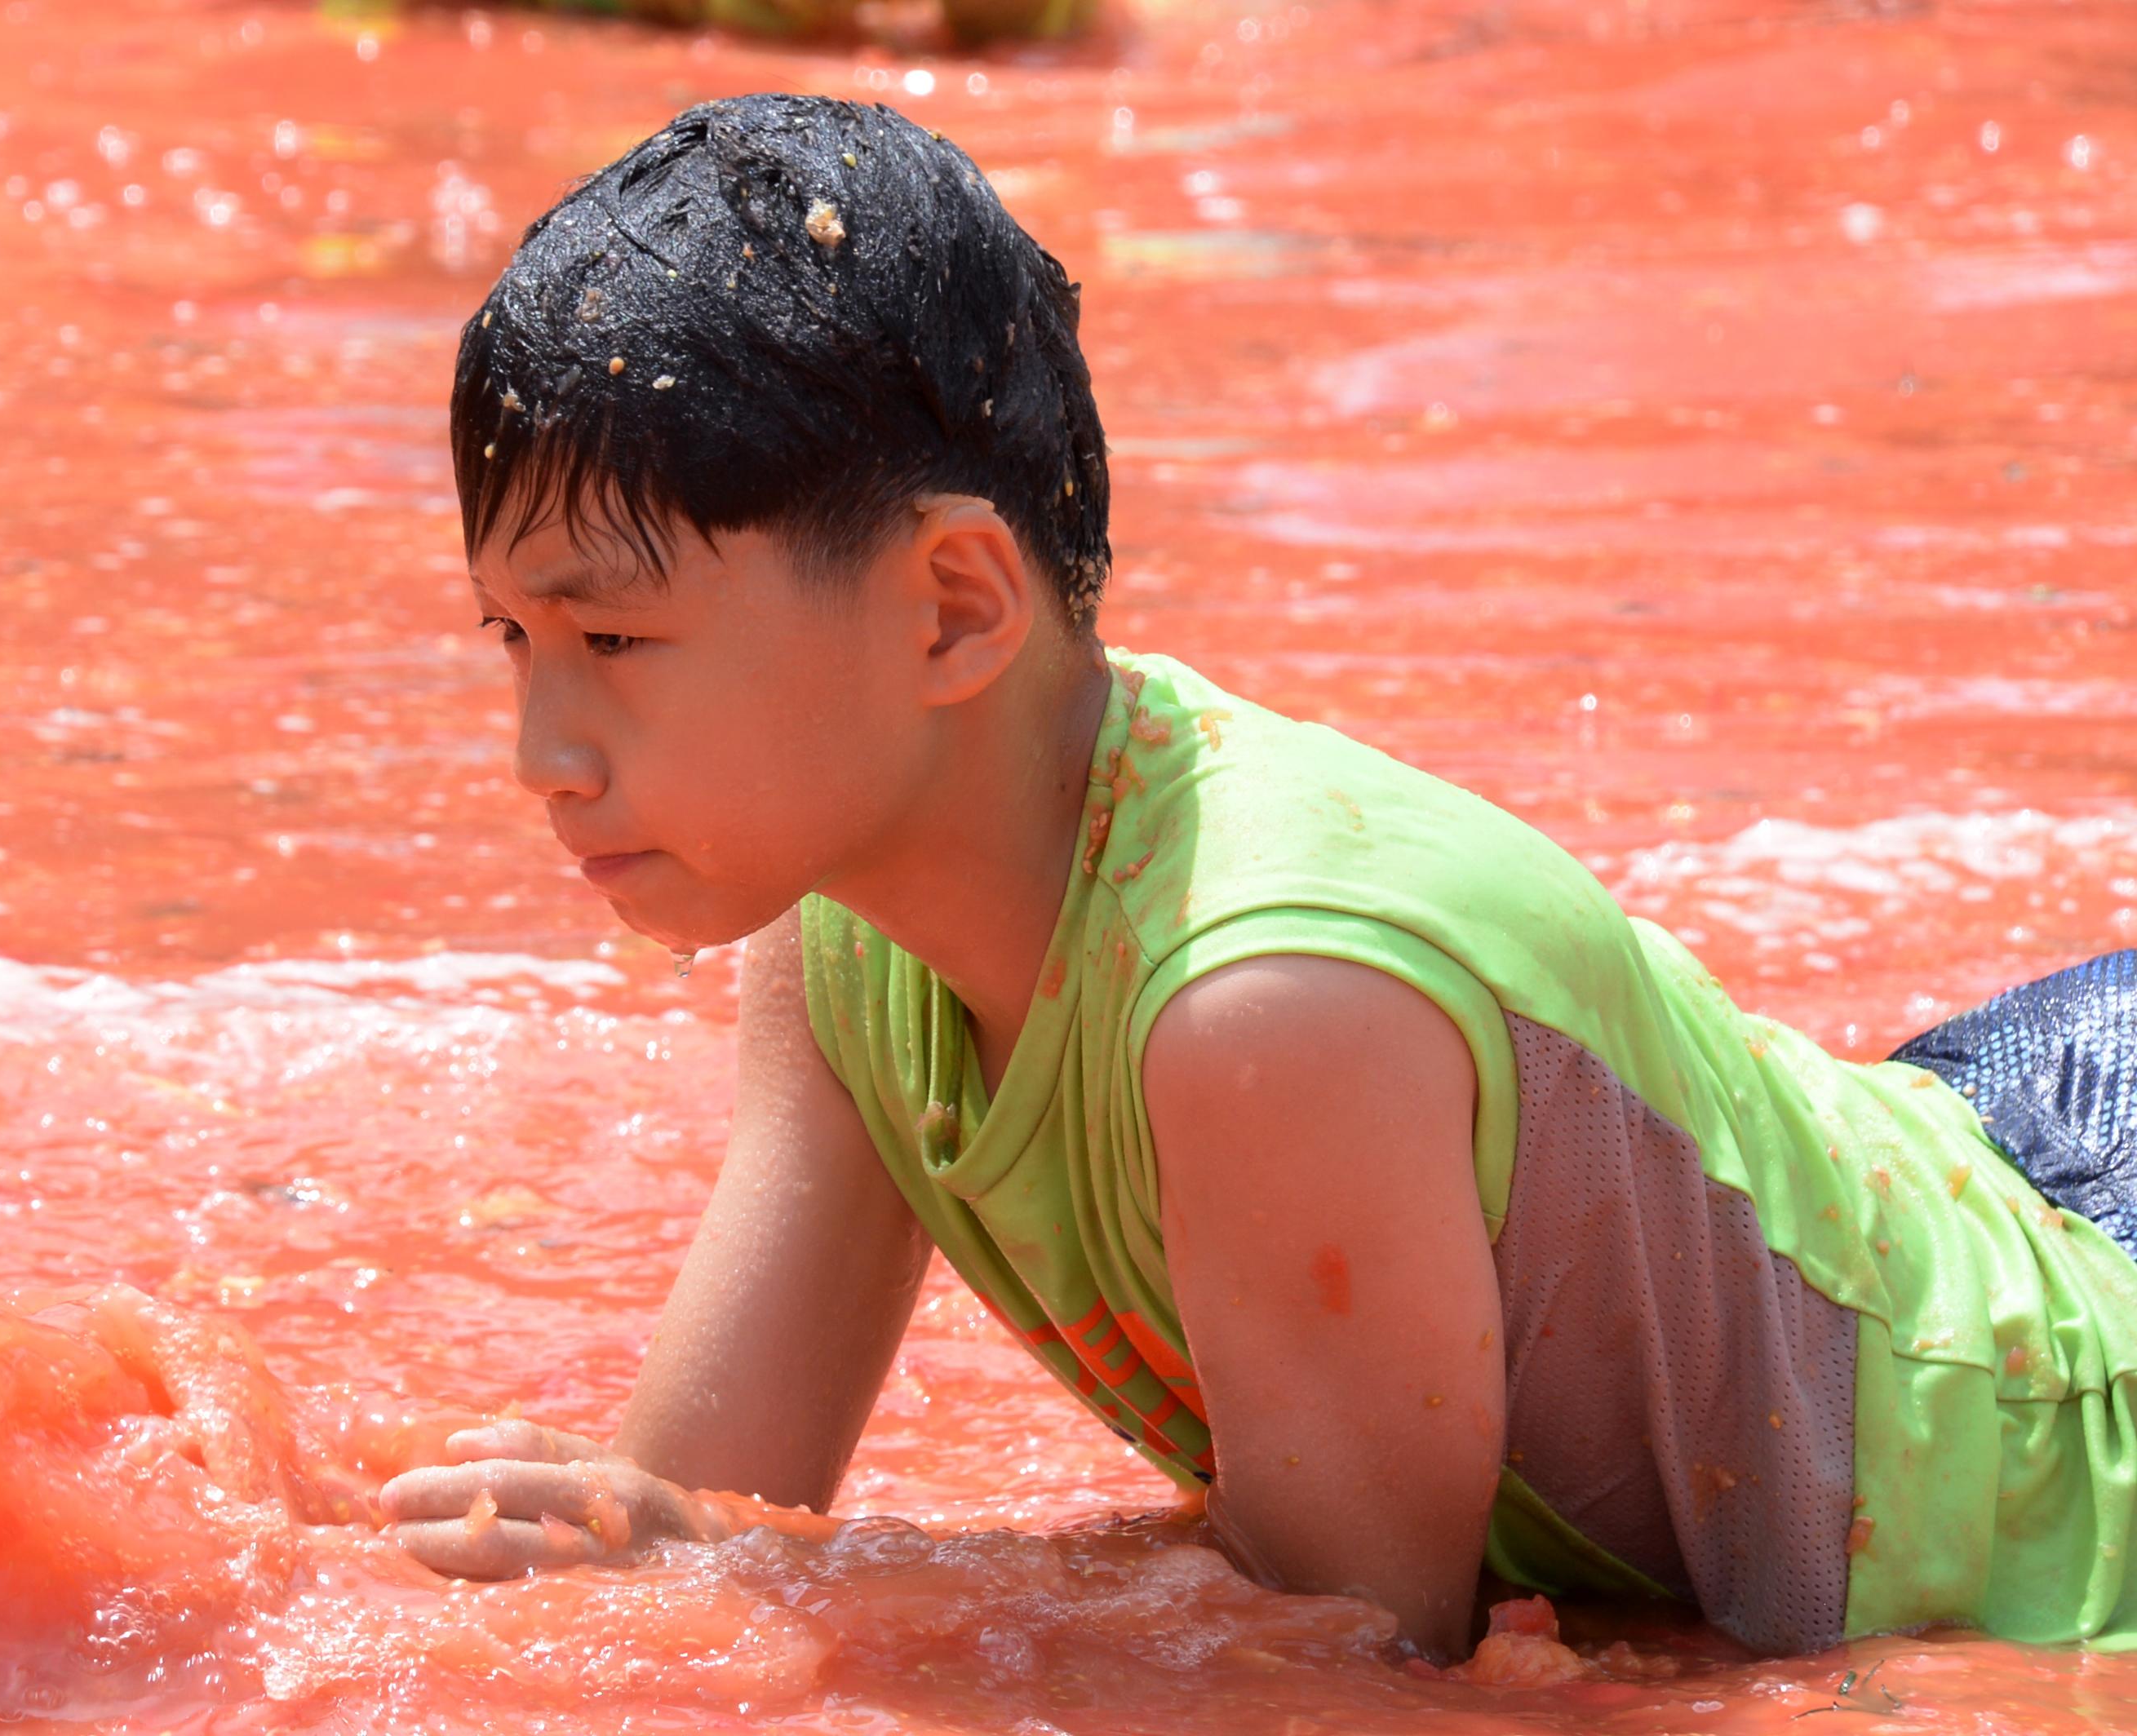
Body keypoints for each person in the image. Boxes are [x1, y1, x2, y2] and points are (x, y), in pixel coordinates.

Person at [384, 93, 2137, 1658]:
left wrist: (840, 1594)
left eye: (613, 632)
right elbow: (682, 1544)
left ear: (950, 607)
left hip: (2078, 1396)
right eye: (509, 638)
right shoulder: (841, 941)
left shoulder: (1264, 1009)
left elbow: (1342, 1667)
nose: (542, 751)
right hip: (1962, 1151)